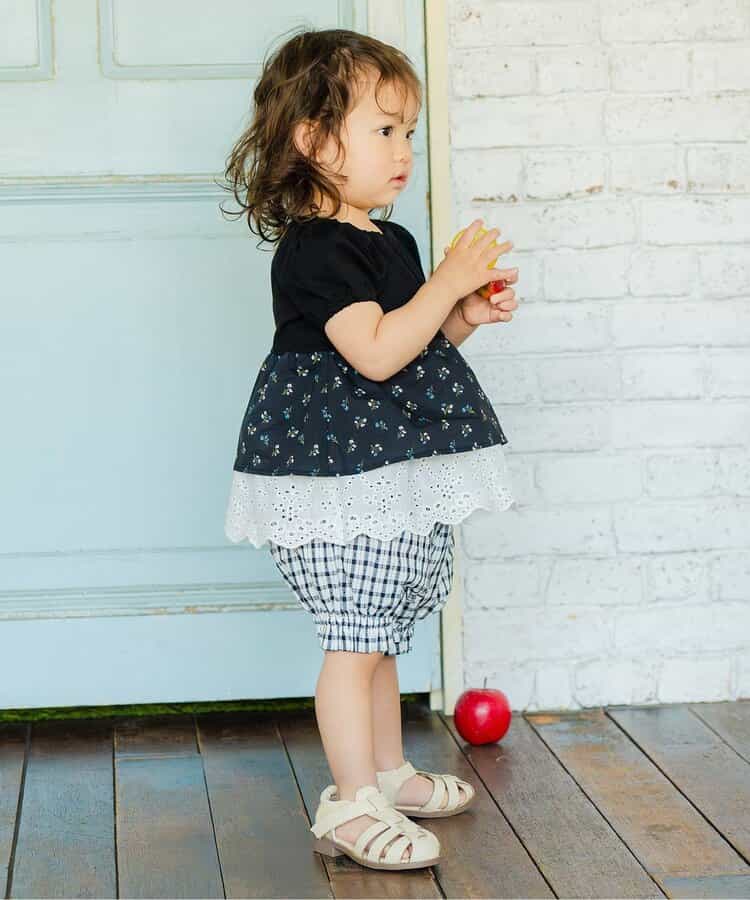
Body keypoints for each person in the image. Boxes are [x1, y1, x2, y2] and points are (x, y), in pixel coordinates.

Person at [220, 27, 519, 871]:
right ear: (314, 142)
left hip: (382, 468)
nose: (403, 151)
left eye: (408, 132)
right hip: (333, 479)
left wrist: (462, 313)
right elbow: (376, 354)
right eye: (383, 130)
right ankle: (350, 804)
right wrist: (445, 285)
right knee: (354, 635)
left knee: (379, 631)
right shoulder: (314, 250)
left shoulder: (391, 240)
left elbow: (416, 344)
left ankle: (386, 773)